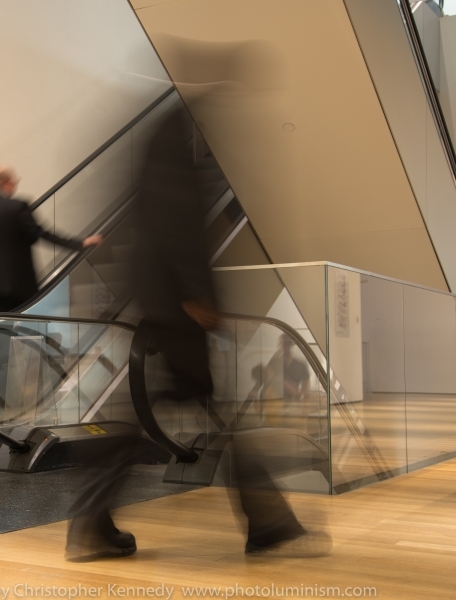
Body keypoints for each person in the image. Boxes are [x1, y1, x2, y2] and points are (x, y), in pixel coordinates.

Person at [65, 107, 331, 561]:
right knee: (219, 416)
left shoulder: (157, 142)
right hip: (176, 306)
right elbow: (179, 222)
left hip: (158, 300)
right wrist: (197, 294)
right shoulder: (175, 140)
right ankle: (268, 522)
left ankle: (92, 523)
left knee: (172, 417)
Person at [0, 166, 102, 313]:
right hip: (19, 285)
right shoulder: (16, 207)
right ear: (9, 182)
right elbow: (41, 234)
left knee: (0, 331)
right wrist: (79, 243)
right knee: (30, 327)